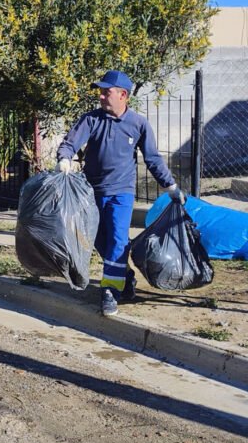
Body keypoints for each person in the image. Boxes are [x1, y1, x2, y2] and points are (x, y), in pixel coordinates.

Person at [56, 70, 184, 316]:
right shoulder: (92, 120)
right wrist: (64, 158)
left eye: (107, 92)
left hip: (121, 193)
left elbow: (153, 159)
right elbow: (70, 143)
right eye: (101, 92)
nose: (102, 97)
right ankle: (124, 277)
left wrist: (170, 187)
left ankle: (110, 292)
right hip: (91, 193)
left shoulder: (138, 124)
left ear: (123, 95)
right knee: (99, 241)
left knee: (117, 240)